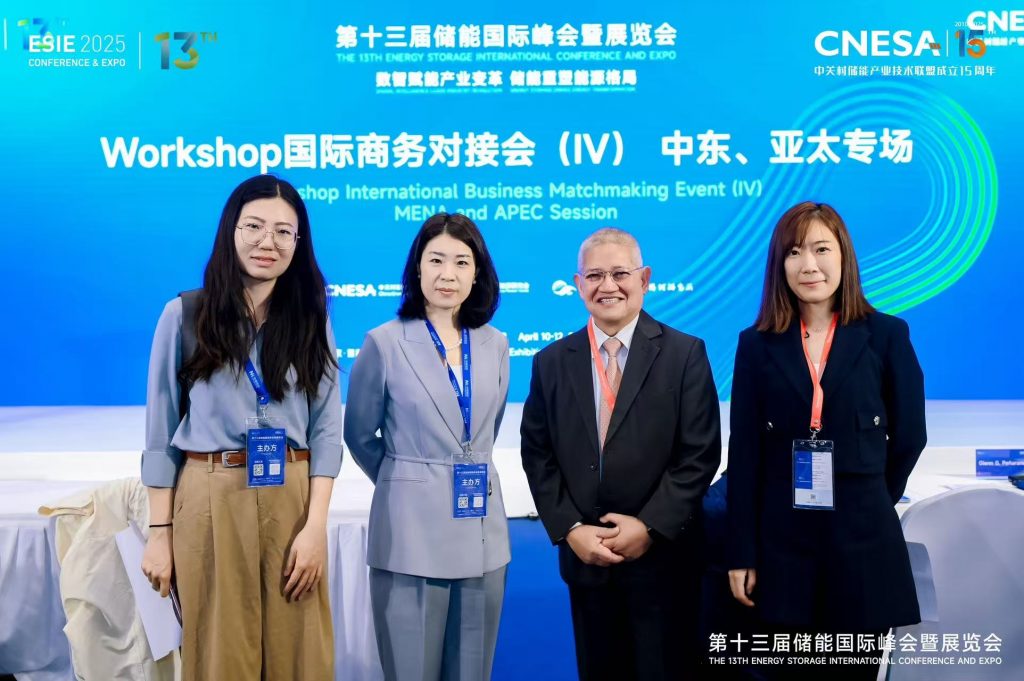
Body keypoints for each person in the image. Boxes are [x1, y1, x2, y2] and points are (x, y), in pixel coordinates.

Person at [140, 175, 341, 680]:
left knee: (301, 655)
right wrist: (159, 533)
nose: (266, 242)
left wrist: (315, 527)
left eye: (282, 232)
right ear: (231, 230)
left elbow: (325, 431)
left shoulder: (311, 317)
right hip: (211, 495)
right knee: (220, 657)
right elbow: (160, 433)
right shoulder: (186, 315)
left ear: (299, 244)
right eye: (254, 226)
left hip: (291, 498)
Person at [726, 201, 927, 679]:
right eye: (794, 252)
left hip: (862, 545)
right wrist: (741, 554)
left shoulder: (885, 335)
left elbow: (910, 435)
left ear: (844, 257)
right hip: (782, 549)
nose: (809, 265)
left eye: (821, 249)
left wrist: (873, 497)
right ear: (780, 265)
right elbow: (745, 456)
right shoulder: (756, 344)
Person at [520, 227, 722, 681]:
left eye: (619, 273)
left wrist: (648, 527)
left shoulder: (684, 353)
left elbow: (700, 453)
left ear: (645, 279)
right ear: (577, 284)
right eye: (594, 275)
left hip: (664, 561)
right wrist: (571, 529)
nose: (607, 286)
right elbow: (537, 453)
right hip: (587, 561)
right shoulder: (551, 361)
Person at [344, 213, 510, 681]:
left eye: (461, 261)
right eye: (436, 260)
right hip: (409, 534)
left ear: (477, 272)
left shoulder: (494, 343)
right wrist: (408, 482)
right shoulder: (384, 343)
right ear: (417, 267)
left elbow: (484, 431)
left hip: (483, 534)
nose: (448, 274)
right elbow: (359, 434)